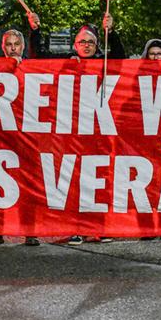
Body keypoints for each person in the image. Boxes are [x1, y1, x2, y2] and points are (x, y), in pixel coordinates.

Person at [0, 12, 41, 247]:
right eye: (8, 44)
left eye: (17, 44)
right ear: (2, 47)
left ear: (23, 46)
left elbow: (41, 56)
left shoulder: (33, 67)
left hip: (27, 135)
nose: (13, 48)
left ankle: (30, 232)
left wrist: (35, 31)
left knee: (28, 185)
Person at [67, 13, 124, 245]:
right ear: (75, 45)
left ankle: (101, 226)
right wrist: (36, 32)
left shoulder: (107, 62)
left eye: (91, 41)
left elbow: (121, 57)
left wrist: (111, 32)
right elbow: (38, 60)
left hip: (101, 132)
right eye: (82, 42)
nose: (87, 45)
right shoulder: (68, 63)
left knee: (101, 179)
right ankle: (77, 228)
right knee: (76, 181)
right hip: (76, 134)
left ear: (97, 45)